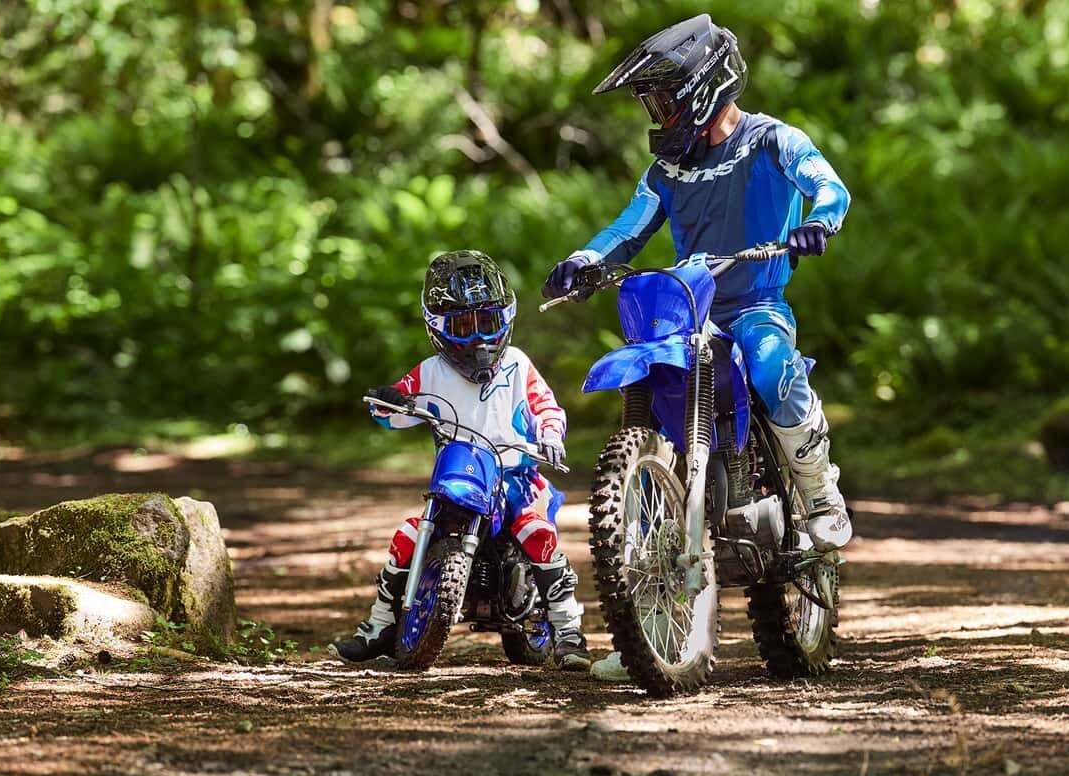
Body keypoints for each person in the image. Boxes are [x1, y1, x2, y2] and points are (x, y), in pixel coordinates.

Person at [543, 14, 852, 551]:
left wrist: (818, 223)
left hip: (756, 304)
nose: (659, 116)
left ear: (703, 90)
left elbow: (829, 186)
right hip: (691, 307)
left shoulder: (774, 140)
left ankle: (821, 493)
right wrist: (583, 260)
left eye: (665, 102)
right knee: (653, 372)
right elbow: (628, 229)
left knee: (771, 365)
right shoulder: (666, 171)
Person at [332, 250, 592, 670]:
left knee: (536, 533)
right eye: (462, 327)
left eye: (487, 323)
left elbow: (546, 407)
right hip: (457, 475)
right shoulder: (431, 371)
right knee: (408, 534)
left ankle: (568, 632)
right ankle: (380, 626)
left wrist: (549, 435)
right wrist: (389, 400)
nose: (477, 339)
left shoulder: (517, 365)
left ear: (506, 319)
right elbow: (396, 406)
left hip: (515, 478)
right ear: (438, 328)